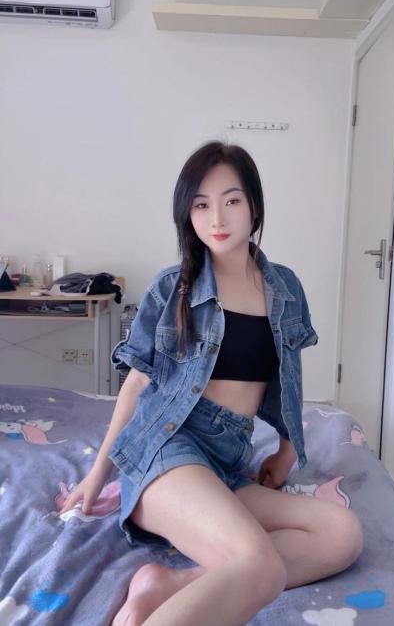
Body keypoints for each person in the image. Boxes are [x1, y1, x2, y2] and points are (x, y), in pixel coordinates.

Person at [60, 140, 363, 626]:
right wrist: (98, 475)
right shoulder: (172, 287)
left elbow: (289, 374)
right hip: (166, 449)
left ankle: (170, 583)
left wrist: (287, 449)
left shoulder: (285, 287)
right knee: (258, 564)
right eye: (201, 205)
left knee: (341, 533)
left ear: (254, 207)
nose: (217, 218)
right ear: (188, 214)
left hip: (228, 459)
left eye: (231, 200)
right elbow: (137, 384)